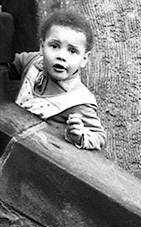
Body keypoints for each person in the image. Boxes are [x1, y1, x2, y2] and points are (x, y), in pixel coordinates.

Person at [8, 10, 106, 150]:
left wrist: (79, 136)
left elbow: (99, 136)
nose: (61, 56)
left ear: (84, 59)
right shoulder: (32, 62)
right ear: (42, 47)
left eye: (72, 51)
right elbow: (6, 67)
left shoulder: (79, 100)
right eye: (54, 46)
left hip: (39, 155)